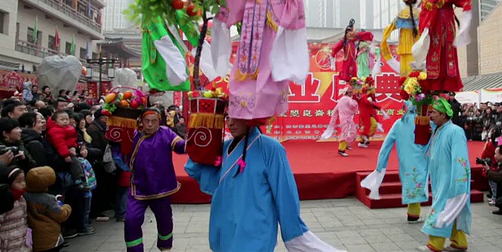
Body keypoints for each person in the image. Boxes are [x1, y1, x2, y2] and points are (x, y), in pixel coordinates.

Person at [185, 117, 344, 252]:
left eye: (237, 118)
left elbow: (284, 192)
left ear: (251, 119)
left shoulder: (270, 148)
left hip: (255, 228)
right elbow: (197, 170)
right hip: (224, 224)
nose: (230, 123)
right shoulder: (223, 148)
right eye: (227, 117)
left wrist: (293, 230)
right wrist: (204, 139)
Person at [124, 108, 186, 252]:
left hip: (161, 186)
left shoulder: (166, 133)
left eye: (154, 121)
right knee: (131, 220)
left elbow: (180, 146)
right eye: (147, 121)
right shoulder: (133, 135)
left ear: (159, 122)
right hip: (138, 187)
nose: (150, 124)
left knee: (164, 219)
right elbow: (120, 149)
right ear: (141, 121)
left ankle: (165, 247)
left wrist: (194, 140)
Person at [412, 0, 472, 94]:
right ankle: (434, 83)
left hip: (445, 26)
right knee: (433, 51)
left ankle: (446, 84)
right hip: (433, 27)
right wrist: (425, 27)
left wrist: (466, 10)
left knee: (446, 51)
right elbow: (424, 12)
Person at [417, 98, 471, 252]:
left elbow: (460, 158)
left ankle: (435, 244)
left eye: (434, 113)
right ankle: (459, 242)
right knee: (453, 209)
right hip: (440, 178)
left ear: (444, 114)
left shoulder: (455, 132)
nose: (431, 116)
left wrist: (459, 181)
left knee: (441, 209)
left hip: (451, 180)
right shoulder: (438, 130)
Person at [360, 101, 429, 222]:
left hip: (405, 161)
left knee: (411, 183)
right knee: (417, 183)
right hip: (422, 159)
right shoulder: (426, 122)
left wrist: (380, 165)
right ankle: (414, 214)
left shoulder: (399, 123)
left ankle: (413, 213)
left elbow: (386, 145)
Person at [23, 166, 71, 252]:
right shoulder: (47, 199)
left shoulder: (24, 196)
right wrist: (66, 207)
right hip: (48, 237)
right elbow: (60, 216)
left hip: (32, 236)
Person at [45, 111, 90, 191]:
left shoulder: (70, 129)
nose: (65, 121)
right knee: (75, 162)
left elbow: (74, 140)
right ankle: (79, 179)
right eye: (62, 119)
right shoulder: (55, 130)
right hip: (63, 152)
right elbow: (60, 144)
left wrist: (75, 147)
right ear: (55, 121)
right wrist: (65, 155)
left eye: (66, 119)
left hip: (71, 149)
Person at [0, 165, 30, 252]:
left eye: (24, 180)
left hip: (23, 241)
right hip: (8, 244)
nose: (23, 184)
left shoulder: (21, 198)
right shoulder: (4, 202)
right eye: (19, 181)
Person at [322, 87, 359, 157]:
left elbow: (335, 110)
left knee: (352, 132)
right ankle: (341, 149)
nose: (352, 93)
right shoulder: (347, 99)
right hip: (346, 119)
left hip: (346, 119)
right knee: (346, 133)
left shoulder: (342, 99)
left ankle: (347, 144)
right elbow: (353, 105)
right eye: (351, 92)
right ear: (348, 93)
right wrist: (356, 100)